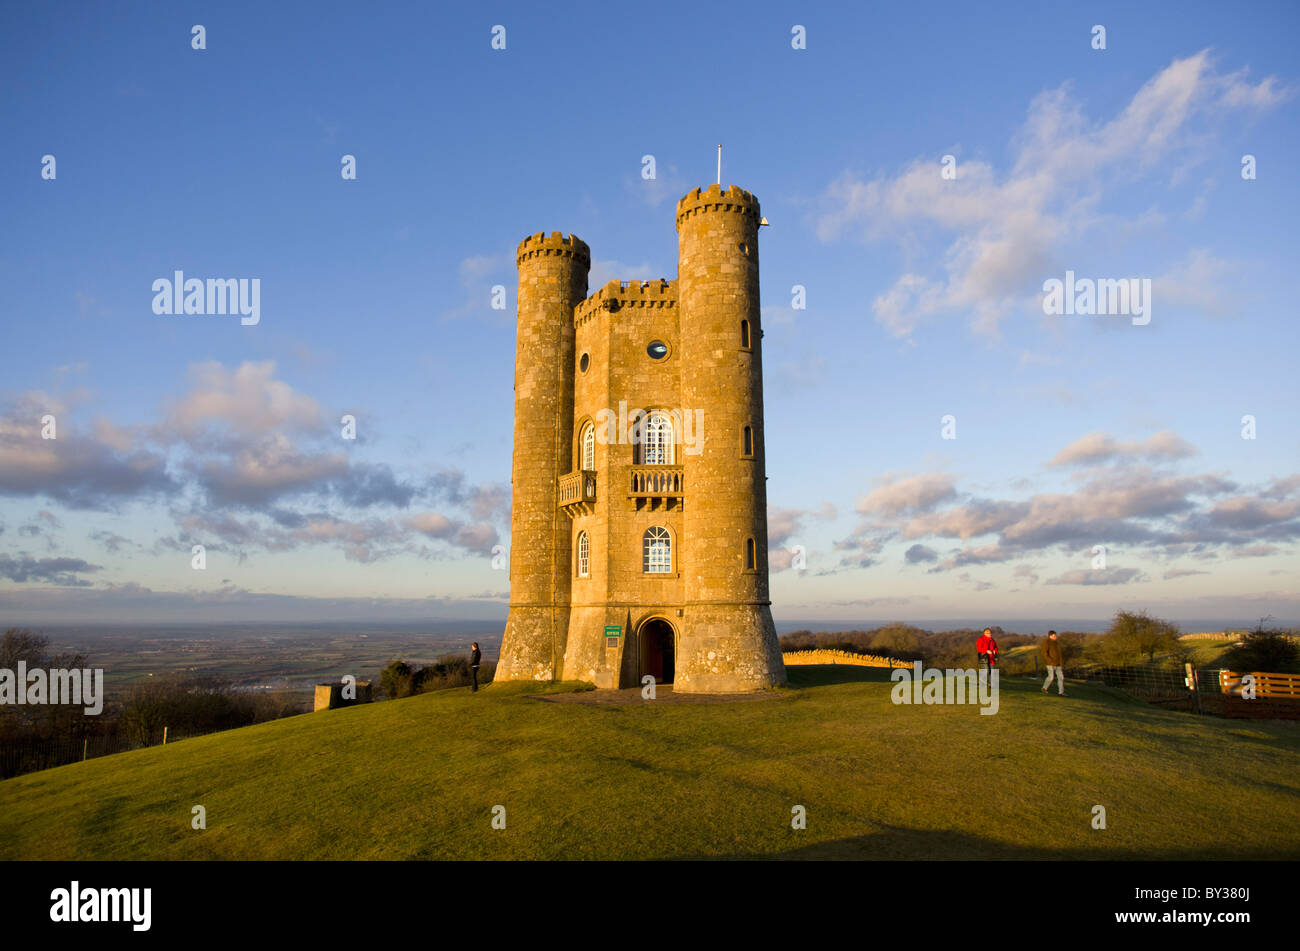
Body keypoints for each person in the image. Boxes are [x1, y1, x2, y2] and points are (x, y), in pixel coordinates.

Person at [1041, 630, 1066, 696]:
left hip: (1058, 664)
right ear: (1050, 636)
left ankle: (1061, 692)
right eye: (1054, 635)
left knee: (1061, 678)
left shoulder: (1056, 643)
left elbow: (1059, 654)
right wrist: (1050, 661)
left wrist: (1061, 663)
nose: (1055, 637)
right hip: (1050, 664)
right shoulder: (1046, 642)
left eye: (1055, 635)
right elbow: (1044, 653)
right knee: (1051, 677)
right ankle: (1044, 688)